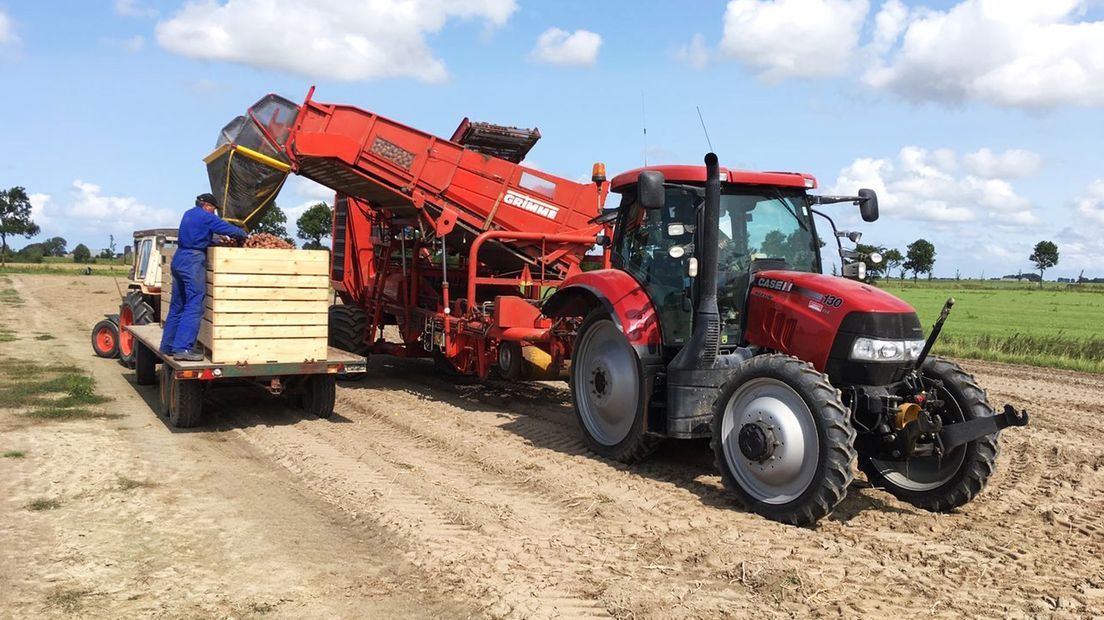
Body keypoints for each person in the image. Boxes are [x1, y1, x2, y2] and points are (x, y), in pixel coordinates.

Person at [160, 193, 247, 361]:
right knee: (195, 303)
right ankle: (183, 349)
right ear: (207, 205)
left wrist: (215, 243)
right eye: (214, 209)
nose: (214, 212)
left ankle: (168, 345)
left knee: (178, 305)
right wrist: (243, 235)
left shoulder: (188, 214)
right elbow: (226, 228)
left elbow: (196, 238)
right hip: (192, 261)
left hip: (179, 257)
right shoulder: (206, 216)